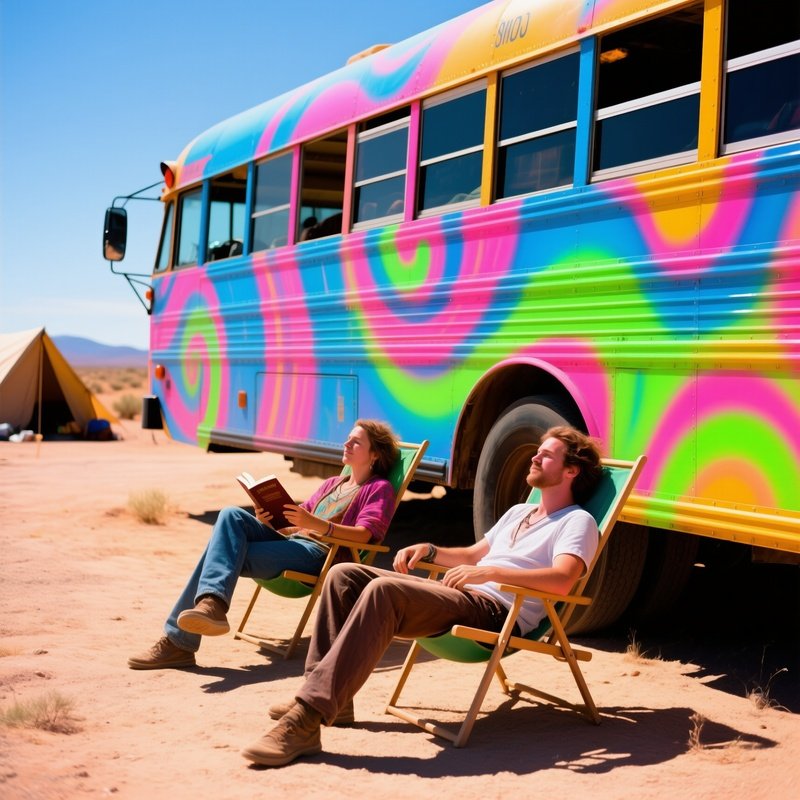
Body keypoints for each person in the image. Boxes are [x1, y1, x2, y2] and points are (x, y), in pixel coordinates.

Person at [241, 425, 603, 767]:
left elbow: (562, 580)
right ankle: (329, 693)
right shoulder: (520, 512)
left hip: (495, 610)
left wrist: (490, 572)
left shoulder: (577, 522)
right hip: (461, 593)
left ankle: (306, 719)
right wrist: (429, 550)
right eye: (536, 452)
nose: (534, 458)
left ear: (571, 471)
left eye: (547, 455)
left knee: (385, 590)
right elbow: (471, 554)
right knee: (343, 575)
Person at [128, 419, 400, 670]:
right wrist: (268, 518)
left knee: (220, 553)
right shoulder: (333, 483)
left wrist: (318, 525)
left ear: (374, 454)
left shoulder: (379, 489)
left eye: (355, 442)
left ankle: (181, 640)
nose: (346, 444)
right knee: (231, 514)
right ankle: (208, 607)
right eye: (348, 439)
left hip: (319, 556)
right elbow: (295, 522)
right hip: (293, 542)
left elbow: (365, 534)